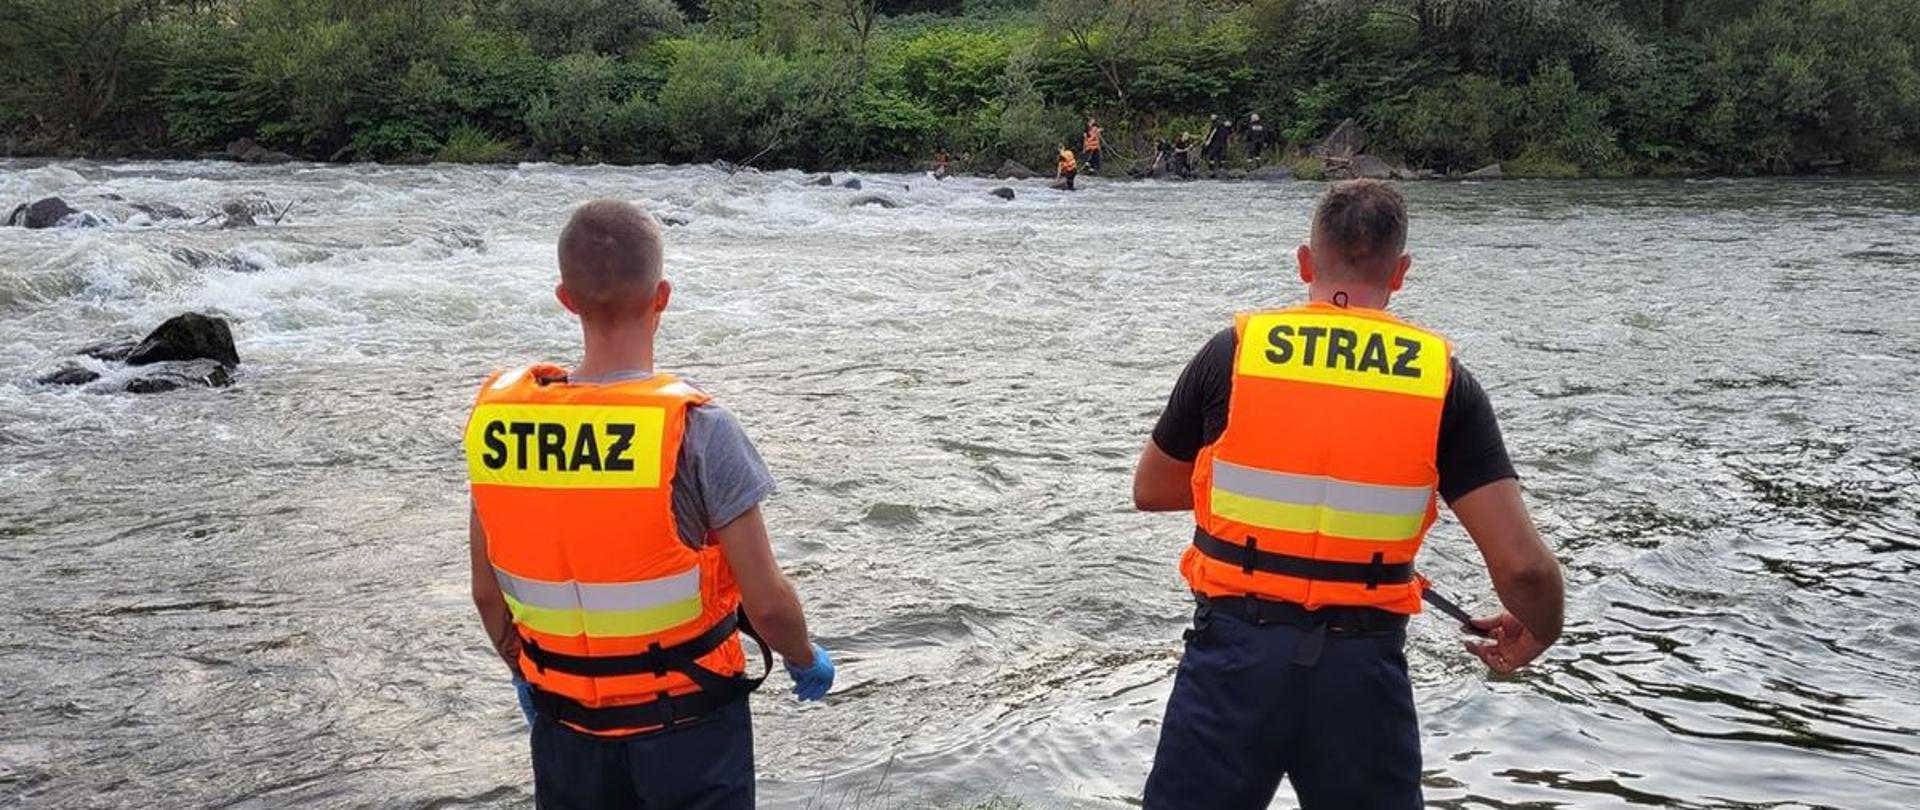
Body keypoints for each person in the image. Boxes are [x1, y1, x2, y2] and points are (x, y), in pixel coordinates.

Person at [1132, 180, 1565, 810]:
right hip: (1361, 670)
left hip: (1233, 660)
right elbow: (1522, 566)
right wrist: (1542, 630)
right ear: (1402, 273)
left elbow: (1152, 488)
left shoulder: (1237, 353)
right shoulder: (1441, 381)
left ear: (1305, 262)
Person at [467, 199, 837, 809]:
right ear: (662, 296)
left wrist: (525, 672)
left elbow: (486, 594)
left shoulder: (501, 425)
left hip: (565, 727)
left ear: (565, 298)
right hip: (688, 728)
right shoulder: (699, 430)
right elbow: (766, 602)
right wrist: (803, 659)